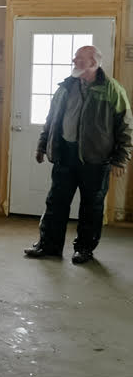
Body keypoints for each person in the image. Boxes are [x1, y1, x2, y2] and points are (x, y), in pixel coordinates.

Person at [24, 45, 132, 264]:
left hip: (96, 158)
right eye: (74, 58)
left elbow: (125, 126)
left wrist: (121, 158)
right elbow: (52, 118)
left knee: (92, 207)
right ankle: (49, 245)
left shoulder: (112, 89)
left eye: (80, 59)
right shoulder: (66, 86)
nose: (75, 62)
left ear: (94, 62)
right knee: (56, 202)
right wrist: (42, 145)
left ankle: (84, 249)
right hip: (65, 154)